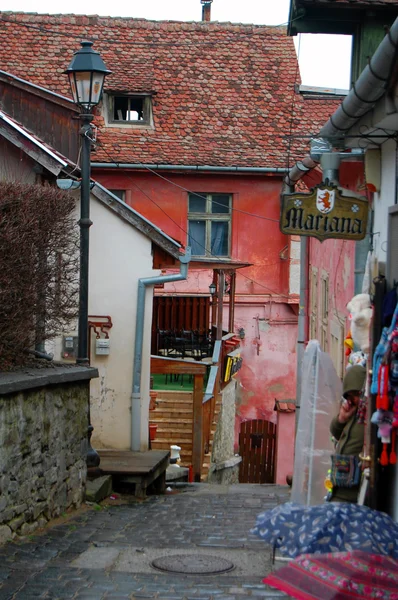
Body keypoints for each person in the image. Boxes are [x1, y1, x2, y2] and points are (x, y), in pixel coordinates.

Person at [329, 365, 367, 503]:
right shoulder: (354, 412)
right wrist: (342, 418)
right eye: (351, 396)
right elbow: (337, 433)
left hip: (353, 491)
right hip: (340, 485)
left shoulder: (369, 415)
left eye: (356, 394)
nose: (355, 400)